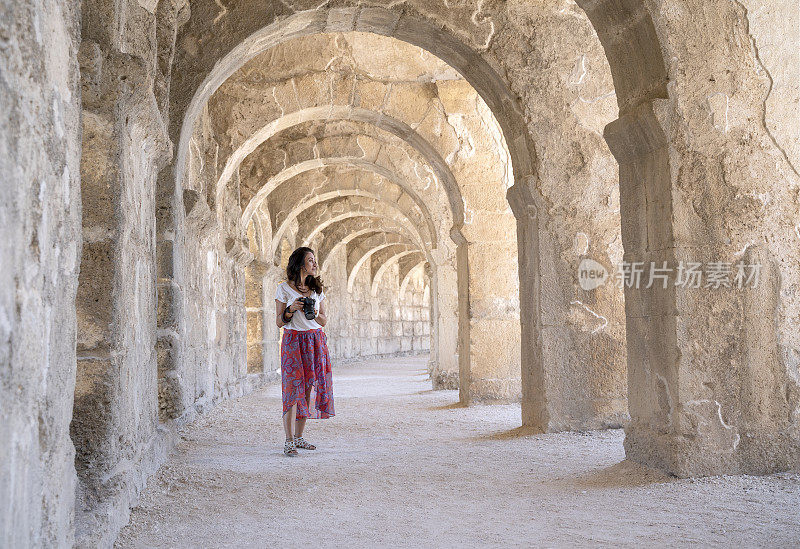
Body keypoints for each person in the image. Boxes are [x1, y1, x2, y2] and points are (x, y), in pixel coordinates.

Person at [275, 247, 334, 456]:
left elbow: (324, 320)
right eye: (311, 260)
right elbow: (279, 322)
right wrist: (291, 309)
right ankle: (288, 440)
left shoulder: (317, 290)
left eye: (315, 260)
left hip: (315, 341)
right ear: (301, 265)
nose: (315, 264)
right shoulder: (283, 289)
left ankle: (299, 437)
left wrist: (314, 314)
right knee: (292, 390)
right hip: (293, 341)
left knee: (307, 388)